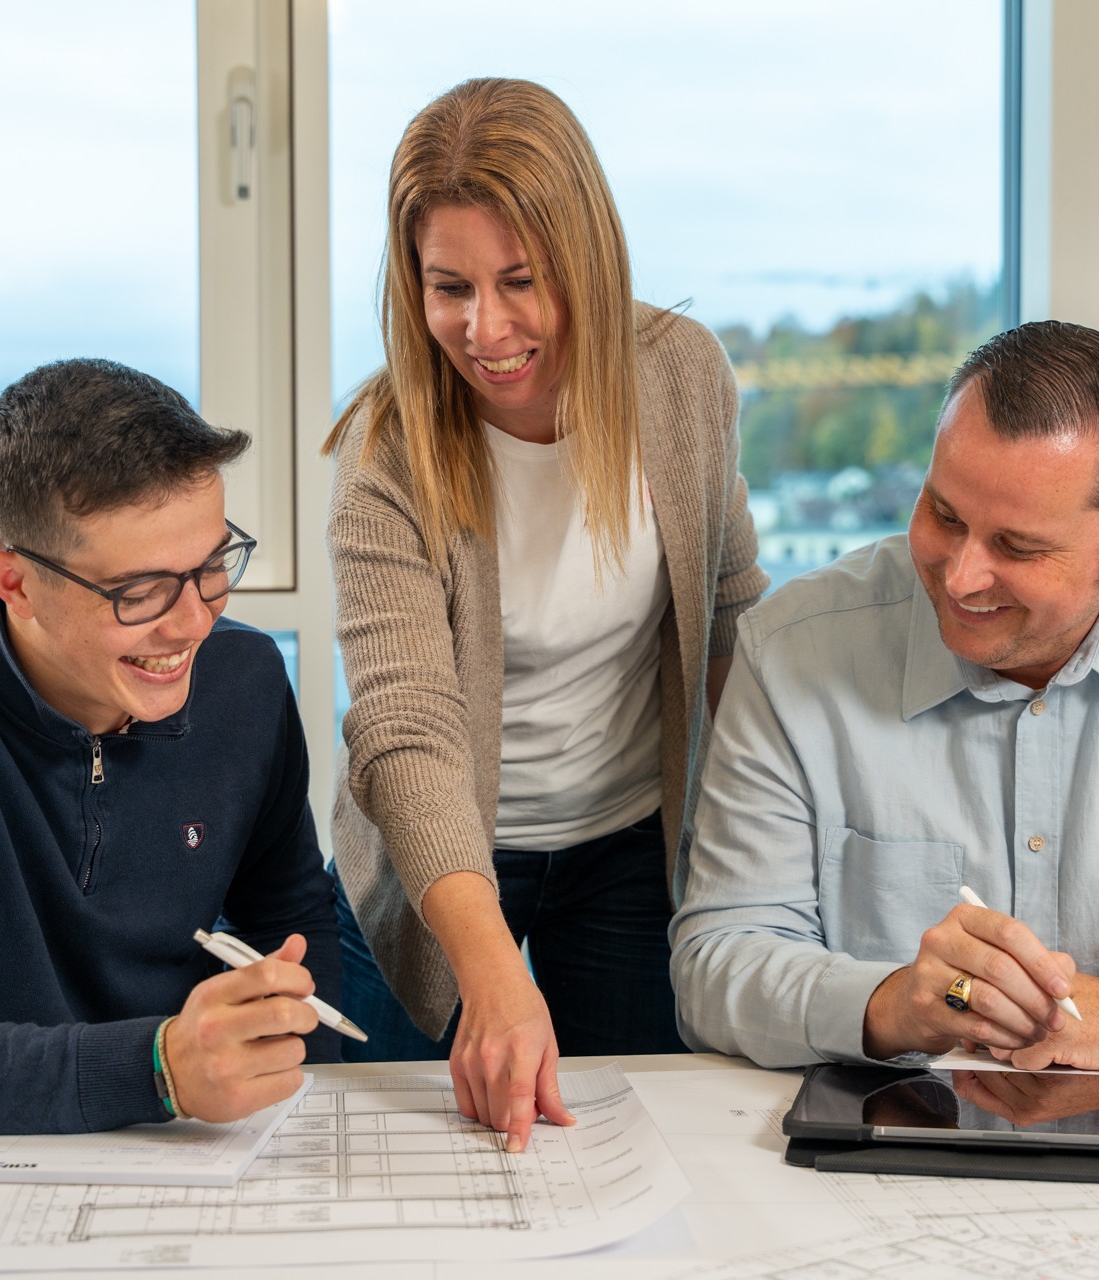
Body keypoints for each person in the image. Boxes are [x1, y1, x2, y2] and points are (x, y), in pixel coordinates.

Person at [322, 77, 766, 1152]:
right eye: (448, 287)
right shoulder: (384, 452)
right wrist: (490, 979)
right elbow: (405, 730)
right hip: (440, 858)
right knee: (402, 1146)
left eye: (521, 279)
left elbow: (728, 613)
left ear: (586, 256)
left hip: (625, 839)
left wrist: (773, 857)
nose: (485, 329)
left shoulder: (679, 374)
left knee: (630, 1128)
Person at [0, 357, 340, 1140]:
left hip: (193, 1152)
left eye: (210, 568)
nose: (194, 622)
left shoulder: (247, 679)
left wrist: (293, 1095)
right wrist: (156, 1069)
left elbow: (293, 920)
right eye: (140, 592)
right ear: (14, 582)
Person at [671, 319, 1099, 1071]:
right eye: (945, 515)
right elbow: (715, 964)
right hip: (877, 1157)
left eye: (1018, 547)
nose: (962, 577)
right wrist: (896, 1003)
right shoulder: (796, 652)